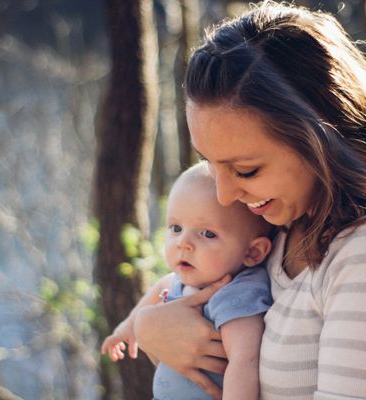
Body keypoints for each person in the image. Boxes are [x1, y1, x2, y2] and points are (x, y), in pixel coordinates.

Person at [132, 1, 366, 399]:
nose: (224, 194)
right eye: (210, 164)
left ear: (322, 139)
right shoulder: (284, 222)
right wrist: (151, 327)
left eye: (247, 170)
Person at [101, 162, 274, 400]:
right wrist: (126, 329)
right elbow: (158, 288)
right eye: (176, 227)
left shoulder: (236, 295)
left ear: (253, 253)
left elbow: (244, 362)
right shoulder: (179, 281)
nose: (183, 242)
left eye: (207, 233)